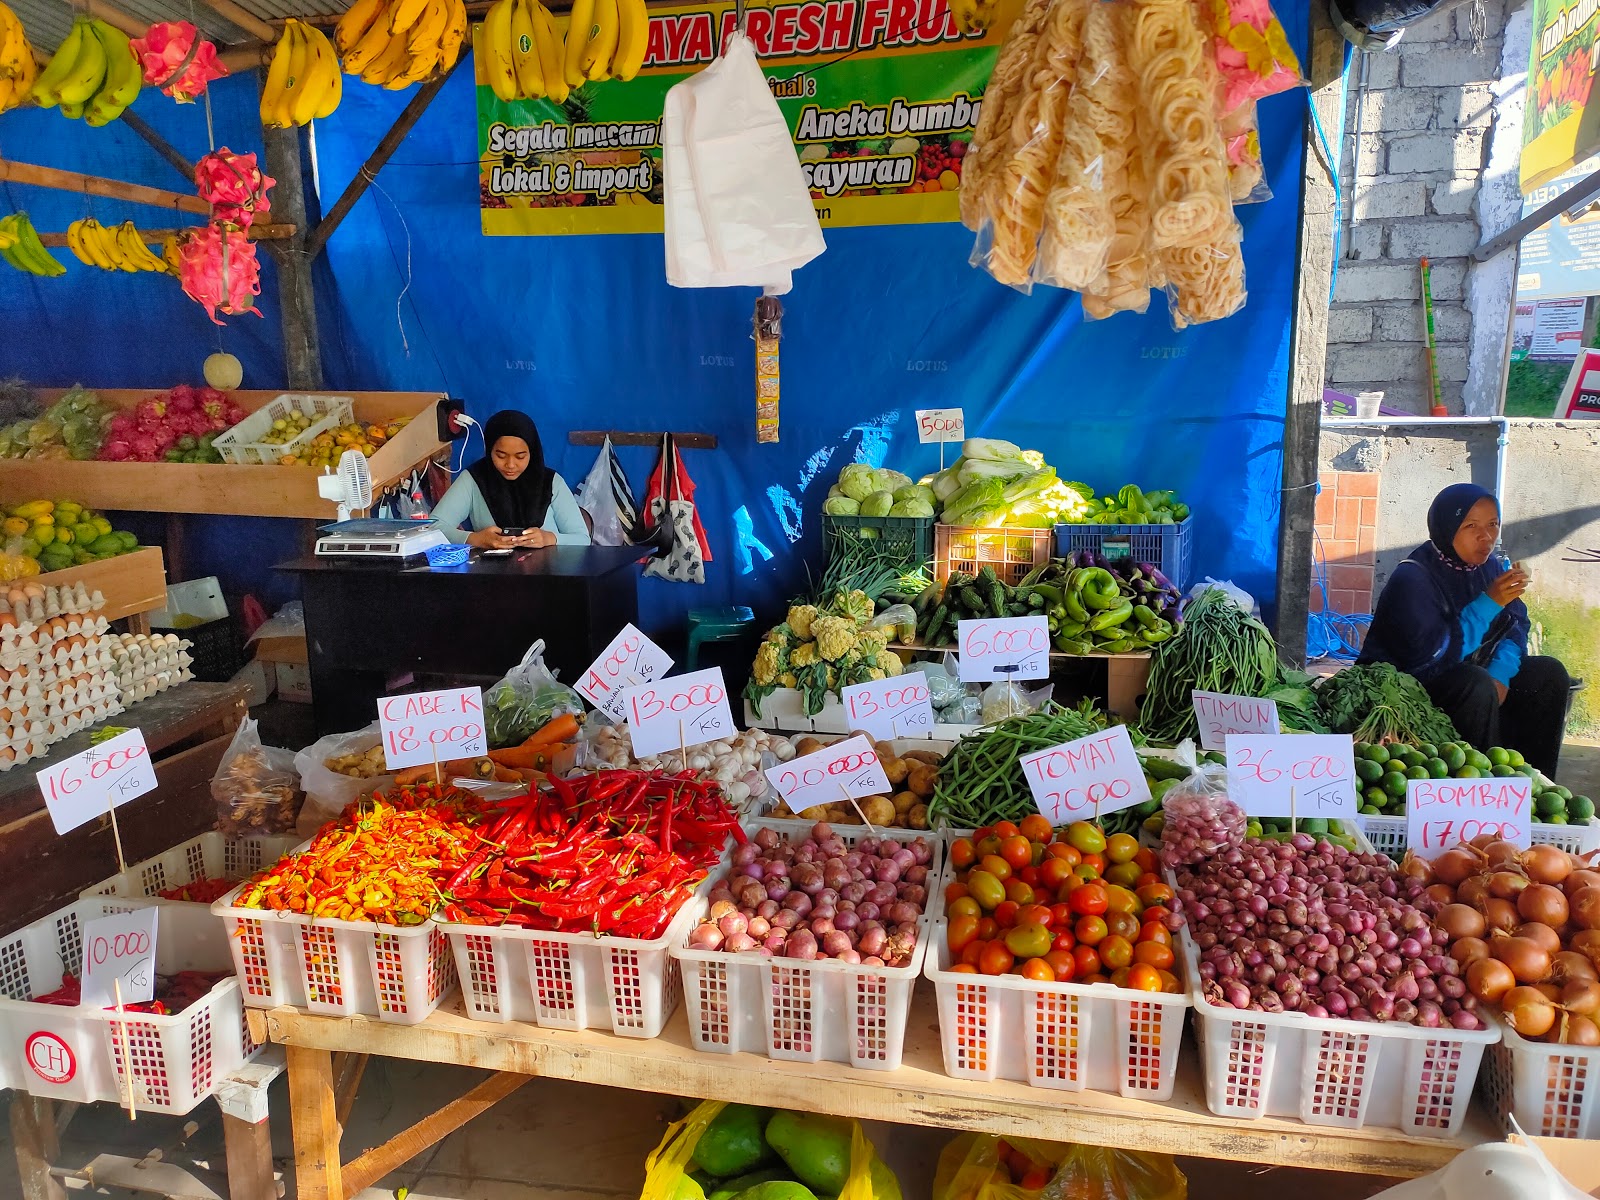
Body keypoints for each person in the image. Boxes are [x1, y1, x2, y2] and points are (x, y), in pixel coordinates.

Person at [1358, 482, 1571, 776]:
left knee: (1548, 674)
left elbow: (1516, 624)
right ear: (1446, 526)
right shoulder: (1411, 579)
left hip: (1475, 673)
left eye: (1493, 524)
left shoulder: (1491, 568)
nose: (1486, 536)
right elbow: (1429, 657)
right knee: (1474, 683)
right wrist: (1488, 603)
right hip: (1409, 686)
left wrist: (1502, 673)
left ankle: (1536, 783)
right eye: (1471, 525)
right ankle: (1482, 785)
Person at [431, 411, 590, 549]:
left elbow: (582, 538)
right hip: (492, 578)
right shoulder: (474, 479)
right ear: (489, 449)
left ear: (532, 452)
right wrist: (474, 538)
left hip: (550, 577)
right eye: (501, 455)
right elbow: (433, 527)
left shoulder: (551, 482)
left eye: (520, 456)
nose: (510, 465)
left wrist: (549, 538)